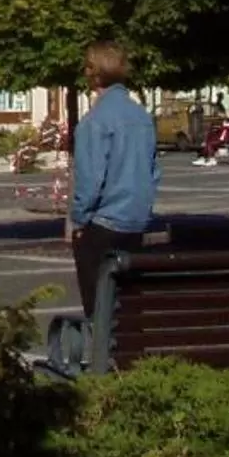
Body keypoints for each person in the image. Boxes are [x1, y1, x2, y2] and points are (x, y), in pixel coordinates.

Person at [70, 42, 158, 321]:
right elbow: (153, 172)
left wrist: (78, 220)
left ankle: (102, 345)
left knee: (98, 307)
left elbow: (90, 182)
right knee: (130, 306)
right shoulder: (142, 117)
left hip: (104, 222)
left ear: (93, 74)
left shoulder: (94, 121)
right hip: (136, 221)